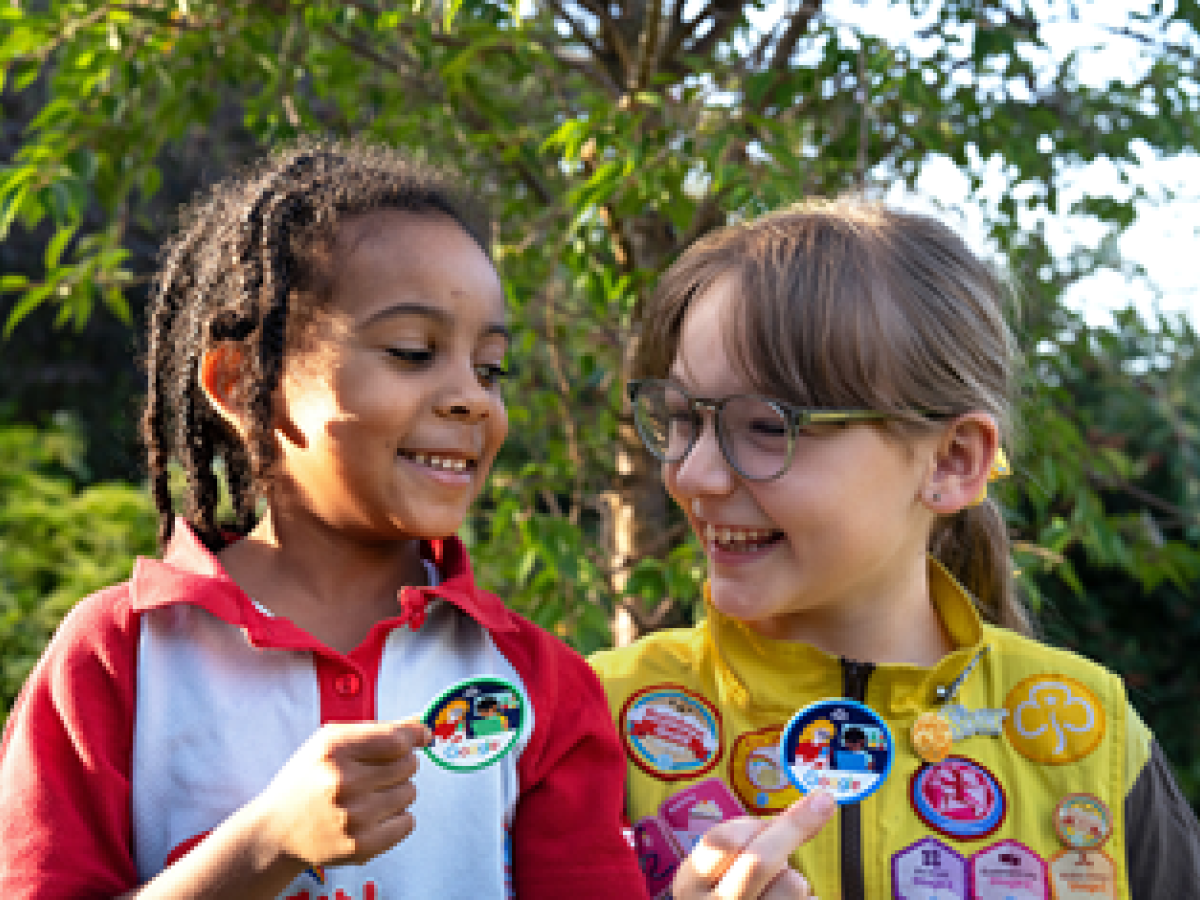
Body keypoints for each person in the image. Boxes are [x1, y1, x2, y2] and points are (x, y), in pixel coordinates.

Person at [0, 140, 648, 900]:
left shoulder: (543, 685)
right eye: (413, 352)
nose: (472, 397)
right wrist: (263, 846)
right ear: (242, 383)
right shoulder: (116, 659)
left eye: (491, 366)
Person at [590, 198, 1200, 899]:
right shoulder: (600, 716)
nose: (694, 473)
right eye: (681, 418)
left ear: (951, 462)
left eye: (765, 426)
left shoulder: (1091, 738)